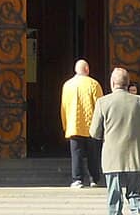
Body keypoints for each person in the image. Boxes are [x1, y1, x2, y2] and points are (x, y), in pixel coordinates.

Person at [90, 67, 140, 215]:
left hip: (112, 158)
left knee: (114, 198)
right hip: (136, 156)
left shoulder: (103, 102)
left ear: (112, 83)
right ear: (128, 83)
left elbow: (94, 132)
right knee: (135, 195)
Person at [61, 58, 104, 189]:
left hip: (74, 125)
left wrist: (65, 125)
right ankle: (94, 179)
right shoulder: (94, 84)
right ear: (87, 69)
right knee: (93, 154)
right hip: (92, 125)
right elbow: (100, 105)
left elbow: (63, 107)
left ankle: (77, 179)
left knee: (77, 154)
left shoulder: (67, 85)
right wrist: (102, 125)